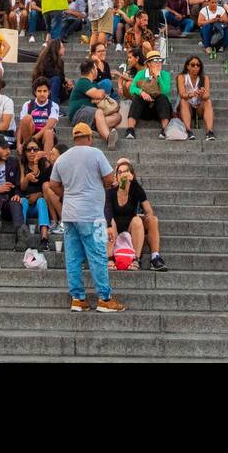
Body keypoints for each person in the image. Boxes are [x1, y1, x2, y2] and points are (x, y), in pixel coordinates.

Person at [48, 121, 125, 313]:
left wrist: (67, 194)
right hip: (92, 215)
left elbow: (53, 184)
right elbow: (109, 179)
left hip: (69, 214)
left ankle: (78, 299)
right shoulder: (96, 154)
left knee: (73, 257)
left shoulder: (62, 158)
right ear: (90, 137)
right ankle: (104, 298)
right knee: (98, 255)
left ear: (74, 138)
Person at [104, 157, 166, 271]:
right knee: (109, 221)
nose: (123, 175)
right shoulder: (111, 191)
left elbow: (149, 211)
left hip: (132, 223)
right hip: (115, 225)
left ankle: (149, 258)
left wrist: (144, 217)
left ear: (132, 174)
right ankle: (109, 258)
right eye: (120, 172)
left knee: (147, 220)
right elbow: (107, 211)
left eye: (126, 171)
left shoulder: (136, 189)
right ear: (116, 175)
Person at [68, 57, 120, 149]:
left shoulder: (93, 84)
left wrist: (99, 94)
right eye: (96, 68)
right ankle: (109, 139)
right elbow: (98, 95)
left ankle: (94, 129)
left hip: (91, 115)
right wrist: (102, 92)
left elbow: (98, 96)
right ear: (92, 70)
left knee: (117, 116)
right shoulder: (83, 82)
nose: (97, 70)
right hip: (79, 113)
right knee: (99, 112)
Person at [125, 51, 172, 139]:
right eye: (155, 60)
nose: (159, 63)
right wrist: (141, 92)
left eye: (160, 60)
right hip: (144, 108)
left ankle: (165, 129)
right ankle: (130, 129)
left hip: (159, 108)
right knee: (136, 97)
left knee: (162, 97)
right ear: (149, 64)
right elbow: (132, 88)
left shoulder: (165, 74)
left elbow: (165, 91)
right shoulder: (141, 74)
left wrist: (158, 77)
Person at [176, 55, 214, 140]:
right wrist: (191, 94)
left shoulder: (204, 78)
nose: (196, 67)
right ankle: (188, 131)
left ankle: (210, 132)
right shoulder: (182, 77)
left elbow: (207, 95)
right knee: (183, 100)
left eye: (198, 65)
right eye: (193, 65)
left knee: (208, 101)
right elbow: (182, 94)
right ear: (187, 66)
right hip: (187, 107)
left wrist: (202, 93)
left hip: (199, 108)